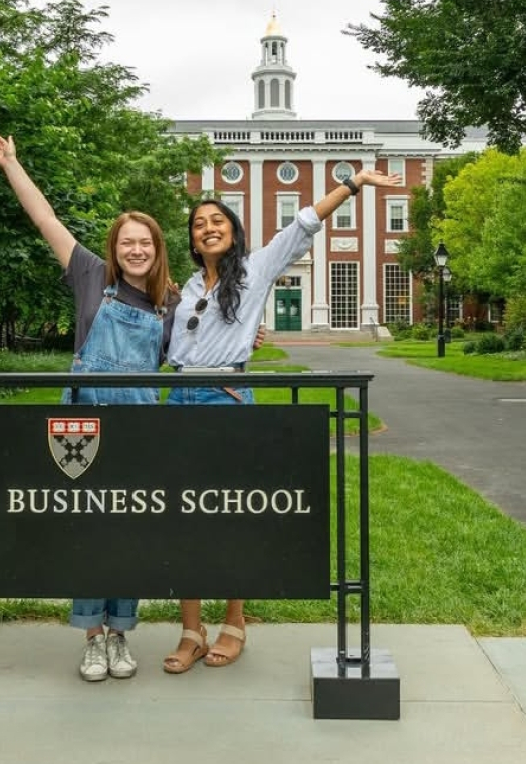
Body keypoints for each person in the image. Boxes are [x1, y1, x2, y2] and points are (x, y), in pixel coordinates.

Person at [161, 166, 403, 673]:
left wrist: (353, 184)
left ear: (233, 231)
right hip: (178, 399)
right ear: (192, 240)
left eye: (217, 220)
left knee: (228, 516)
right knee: (183, 520)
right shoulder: (187, 287)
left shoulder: (255, 269)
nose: (208, 228)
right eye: (199, 223)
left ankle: (234, 622)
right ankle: (190, 630)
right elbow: (176, 345)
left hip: (224, 398)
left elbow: (304, 223)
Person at [0, 133, 174, 683]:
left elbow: (208, 342)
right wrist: (12, 165)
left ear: (157, 248)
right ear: (114, 249)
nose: (136, 250)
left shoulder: (172, 302)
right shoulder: (91, 275)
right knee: (88, 529)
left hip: (139, 428)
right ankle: (93, 639)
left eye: (144, 243)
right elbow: (44, 218)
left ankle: (122, 632)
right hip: (82, 429)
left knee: (129, 531)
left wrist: (252, 336)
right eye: (127, 242)